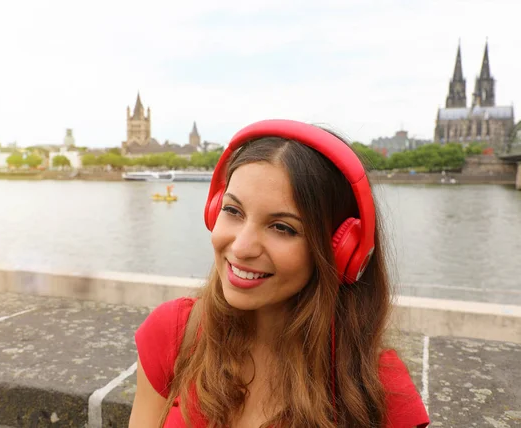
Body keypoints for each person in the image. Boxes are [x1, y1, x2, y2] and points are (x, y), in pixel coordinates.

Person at [129, 120, 430, 428]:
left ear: (342, 250)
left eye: (282, 227)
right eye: (232, 211)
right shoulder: (173, 333)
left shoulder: (382, 392)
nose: (242, 247)